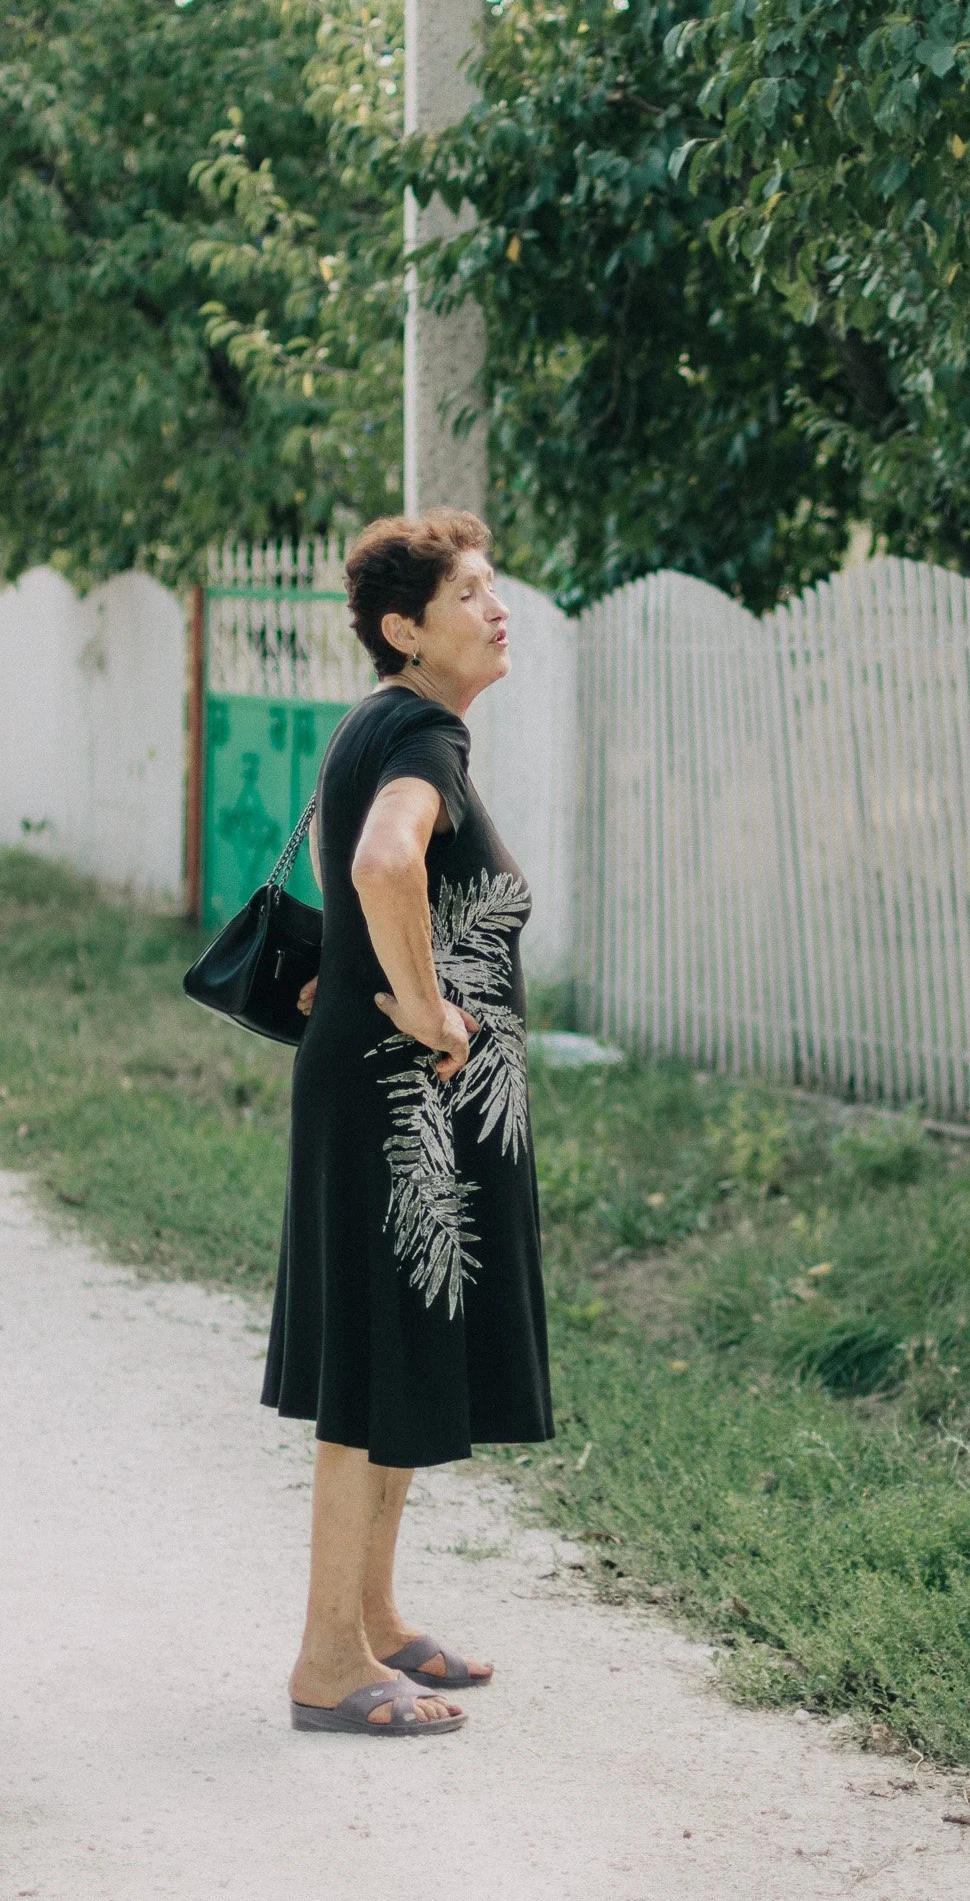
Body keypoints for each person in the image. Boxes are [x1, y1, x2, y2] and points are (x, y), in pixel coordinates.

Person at [262, 509, 553, 1734]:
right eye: (472, 592)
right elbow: (384, 864)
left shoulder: (391, 726)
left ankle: (376, 1619)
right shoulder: (422, 731)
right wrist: (430, 1009)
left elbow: (368, 877)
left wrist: (387, 977)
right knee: (369, 1367)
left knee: (391, 1355)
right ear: (405, 628)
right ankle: (327, 1660)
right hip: (402, 1104)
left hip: (392, 1097)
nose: (498, 608)